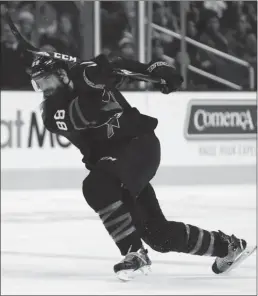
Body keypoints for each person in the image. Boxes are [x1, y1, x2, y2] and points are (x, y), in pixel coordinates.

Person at [30, 53, 251, 281]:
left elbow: (123, 64)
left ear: (62, 74)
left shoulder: (87, 72)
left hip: (139, 146)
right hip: (115, 168)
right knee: (159, 236)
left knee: (95, 186)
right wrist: (100, 81)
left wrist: (159, 69)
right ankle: (228, 246)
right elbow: (87, 115)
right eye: (37, 83)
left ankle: (134, 254)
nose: (41, 87)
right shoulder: (51, 112)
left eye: (45, 79)